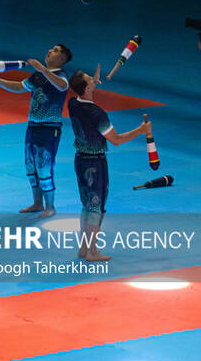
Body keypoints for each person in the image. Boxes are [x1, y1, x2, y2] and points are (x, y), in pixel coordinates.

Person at [67, 67, 152, 261]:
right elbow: (116, 139)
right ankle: (92, 251)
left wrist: (91, 83)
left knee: (86, 205)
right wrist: (140, 130)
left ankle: (83, 248)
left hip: (79, 160)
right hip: (96, 163)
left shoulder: (73, 103)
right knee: (97, 207)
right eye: (91, 79)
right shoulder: (98, 114)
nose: (93, 79)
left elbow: (81, 92)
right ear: (87, 88)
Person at [0, 44, 72, 218]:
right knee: (31, 165)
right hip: (32, 127)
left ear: (62, 59)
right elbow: (19, 87)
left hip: (49, 129)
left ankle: (50, 206)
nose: (48, 51)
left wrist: (42, 69)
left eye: (54, 50)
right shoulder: (38, 76)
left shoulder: (61, 76)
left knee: (44, 166)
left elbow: (62, 86)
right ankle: (37, 203)